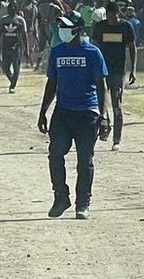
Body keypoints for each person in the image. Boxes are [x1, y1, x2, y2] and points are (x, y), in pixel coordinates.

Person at [37, 12, 108, 220]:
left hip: (87, 113)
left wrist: (103, 116)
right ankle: (61, 197)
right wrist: (43, 111)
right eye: (61, 27)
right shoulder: (57, 52)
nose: (62, 31)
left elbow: (101, 87)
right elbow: (52, 84)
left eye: (66, 27)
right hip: (63, 112)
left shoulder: (93, 53)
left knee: (84, 160)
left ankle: (83, 203)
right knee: (55, 154)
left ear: (78, 30)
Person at [91, 2, 137, 150]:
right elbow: (94, 47)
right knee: (101, 104)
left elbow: (132, 47)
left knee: (117, 104)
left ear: (118, 14)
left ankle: (117, 140)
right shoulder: (100, 27)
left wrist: (133, 70)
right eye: (109, 16)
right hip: (102, 71)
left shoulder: (126, 27)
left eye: (114, 16)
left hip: (118, 71)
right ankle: (106, 126)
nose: (111, 19)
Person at [0, 3, 28, 93]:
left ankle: (12, 86)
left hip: (17, 46)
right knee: (5, 67)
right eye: (9, 8)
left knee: (16, 67)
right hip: (5, 46)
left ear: (16, 9)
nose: (11, 10)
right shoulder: (3, 20)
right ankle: (12, 80)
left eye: (13, 8)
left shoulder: (20, 20)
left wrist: (27, 49)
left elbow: (24, 35)